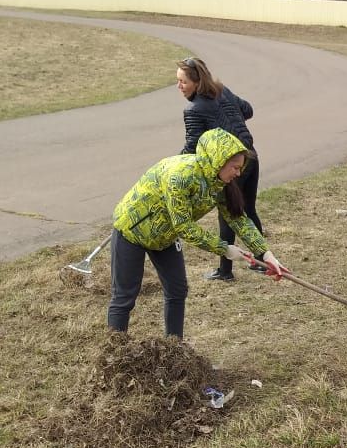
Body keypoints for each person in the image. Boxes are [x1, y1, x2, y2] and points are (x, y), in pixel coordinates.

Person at [107, 128, 286, 338]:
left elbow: (238, 219)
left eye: (241, 167)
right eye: (235, 167)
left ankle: (175, 349)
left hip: (165, 237)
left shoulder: (218, 182)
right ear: (218, 161)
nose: (238, 173)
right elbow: (184, 226)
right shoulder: (180, 176)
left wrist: (265, 254)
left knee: (177, 290)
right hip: (132, 231)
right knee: (125, 296)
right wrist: (224, 249)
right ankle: (114, 352)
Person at [175, 56, 264, 282]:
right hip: (249, 157)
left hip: (231, 166)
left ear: (196, 82)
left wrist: (172, 165)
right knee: (248, 210)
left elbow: (192, 147)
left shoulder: (193, 110)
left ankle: (225, 271)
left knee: (228, 214)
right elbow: (248, 110)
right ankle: (262, 262)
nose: (179, 87)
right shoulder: (222, 91)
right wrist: (230, 116)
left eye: (183, 82)